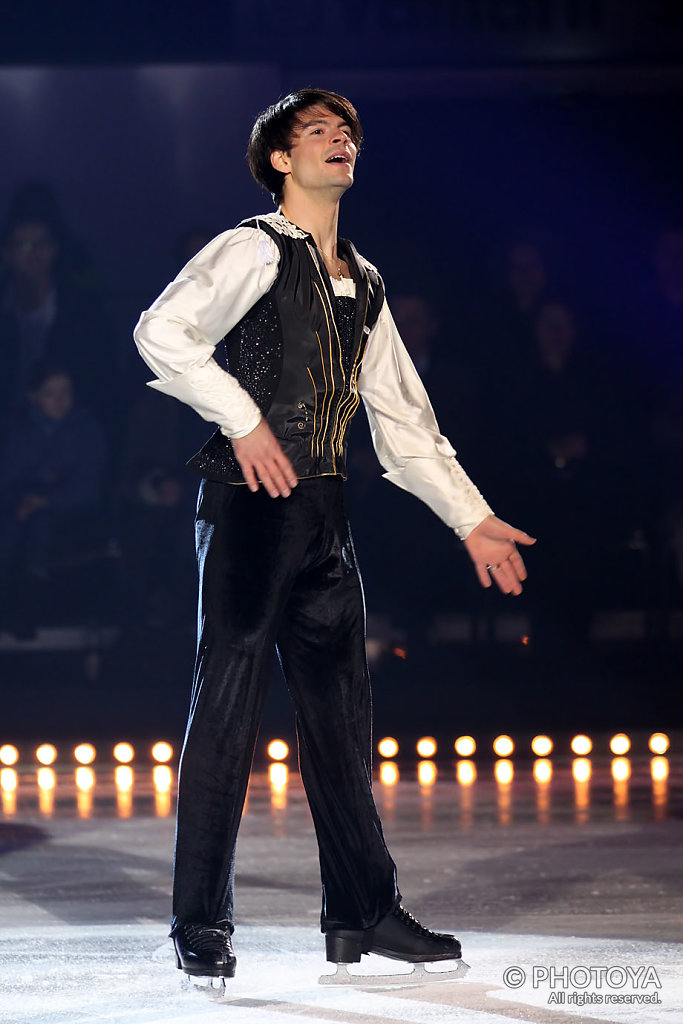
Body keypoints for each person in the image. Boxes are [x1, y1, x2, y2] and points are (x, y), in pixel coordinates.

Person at [134, 88, 535, 986]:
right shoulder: (251, 247)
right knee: (226, 718)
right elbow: (161, 332)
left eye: (346, 131)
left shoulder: (366, 280)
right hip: (248, 503)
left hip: (324, 516)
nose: (339, 140)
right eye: (317, 131)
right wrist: (241, 421)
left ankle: (360, 912)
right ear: (281, 158)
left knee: (342, 722)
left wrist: (470, 519)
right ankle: (200, 921)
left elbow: (402, 421)